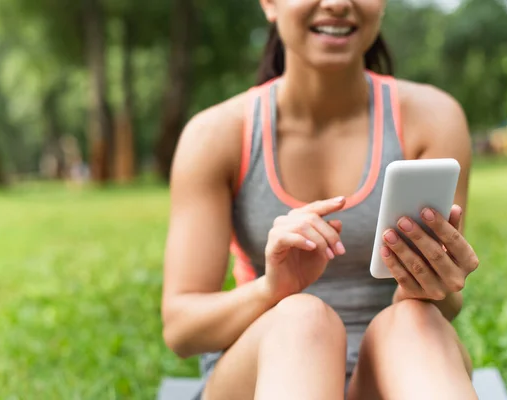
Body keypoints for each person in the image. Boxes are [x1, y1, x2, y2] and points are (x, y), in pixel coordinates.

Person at [161, 0, 480, 399]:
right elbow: (181, 331)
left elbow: (444, 307)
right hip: (262, 371)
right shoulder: (215, 135)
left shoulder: (433, 118)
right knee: (301, 317)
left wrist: (430, 286)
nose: (336, 3)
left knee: (414, 321)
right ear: (269, 5)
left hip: (392, 369)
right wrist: (271, 291)